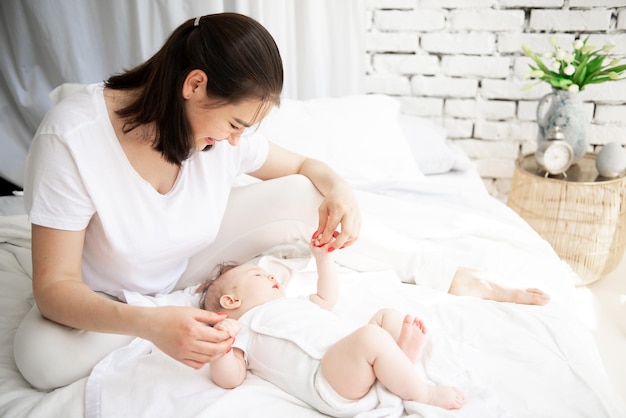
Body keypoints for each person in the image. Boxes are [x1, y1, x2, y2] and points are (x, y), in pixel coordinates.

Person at [14, 11, 548, 392]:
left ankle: (450, 274)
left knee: (300, 195)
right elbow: (55, 289)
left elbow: (303, 168)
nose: (235, 141)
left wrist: (337, 185)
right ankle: (167, 313)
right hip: (113, 293)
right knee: (38, 359)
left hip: (187, 261)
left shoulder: (226, 135)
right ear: (194, 85)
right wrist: (154, 324)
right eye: (235, 124)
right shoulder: (75, 137)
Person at [200, 233, 464, 416]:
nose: (270, 274)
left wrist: (323, 259)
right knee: (370, 337)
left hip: (351, 357)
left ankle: (397, 361)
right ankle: (424, 393)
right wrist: (221, 349)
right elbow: (231, 378)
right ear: (232, 300)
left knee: (386, 316)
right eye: (258, 274)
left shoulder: (295, 303)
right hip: (328, 380)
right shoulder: (243, 329)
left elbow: (327, 297)